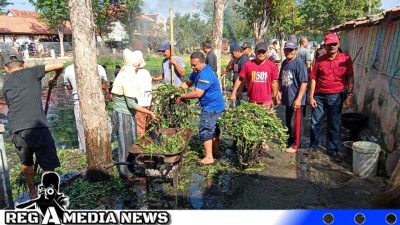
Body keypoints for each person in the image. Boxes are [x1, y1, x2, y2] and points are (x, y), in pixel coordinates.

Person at [1, 52, 63, 199]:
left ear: (5, 69)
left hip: (16, 128)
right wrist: (54, 78)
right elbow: (60, 65)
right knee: (47, 164)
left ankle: (32, 192)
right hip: (37, 126)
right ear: (24, 64)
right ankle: (49, 194)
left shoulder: (6, 85)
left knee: (26, 162)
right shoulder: (32, 71)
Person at [112, 49, 157, 179]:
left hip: (126, 113)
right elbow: (132, 104)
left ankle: (130, 168)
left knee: (130, 142)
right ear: (136, 65)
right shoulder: (127, 77)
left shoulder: (124, 72)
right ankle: (125, 173)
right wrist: (150, 112)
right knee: (126, 145)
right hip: (124, 114)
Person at [308, 33, 354, 161]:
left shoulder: (345, 59)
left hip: (337, 96)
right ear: (325, 46)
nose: (332, 46)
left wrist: (349, 95)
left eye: (334, 44)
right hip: (319, 96)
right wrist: (311, 96)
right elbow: (313, 79)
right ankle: (313, 147)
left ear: (338, 44)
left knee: (334, 124)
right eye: (329, 45)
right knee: (315, 123)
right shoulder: (320, 60)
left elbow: (350, 77)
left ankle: (332, 150)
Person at [177, 52, 225, 165]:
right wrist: (177, 90)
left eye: (195, 65)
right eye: (191, 65)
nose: (193, 68)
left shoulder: (206, 74)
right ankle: (215, 151)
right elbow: (188, 83)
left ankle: (209, 157)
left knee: (205, 128)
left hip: (212, 106)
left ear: (203, 63)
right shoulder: (197, 72)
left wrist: (182, 96)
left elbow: (198, 93)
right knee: (214, 128)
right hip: (212, 105)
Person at [64, 64, 109, 151]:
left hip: (79, 102)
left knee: (81, 127)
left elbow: (69, 86)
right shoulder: (99, 67)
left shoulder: (69, 69)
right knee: (99, 126)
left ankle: (84, 150)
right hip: (96, 102)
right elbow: (104, 86)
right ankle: (101, 147)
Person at [278, 42, 308, 153]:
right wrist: (278, 92)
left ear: (295, 50)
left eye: (291, 50)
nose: (288, 52)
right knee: (289, 121)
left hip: (296, 99)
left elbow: (304, 82)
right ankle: (290, 141)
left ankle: (296, 145)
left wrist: (299, 98)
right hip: (288, 98)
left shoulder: (299, 63)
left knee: (296, 123)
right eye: (286, 50)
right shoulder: (285, 62)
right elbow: (281, 79)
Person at [230, 42, 279, 109]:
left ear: (267, 52)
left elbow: (274, 82)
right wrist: (234, 92)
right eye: (259, 52)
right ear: (255, 52)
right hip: (252, 101)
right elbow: (240, 79)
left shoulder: (272, 65)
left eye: (263, 52)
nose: (261, 54)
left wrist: (275, 96)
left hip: (266, 102)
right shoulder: (248, 64)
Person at [135, 51, 153, 137]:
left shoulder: (134, 74)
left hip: (140, 105)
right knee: (146, 127)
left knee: (140, 129)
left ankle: (141, 147)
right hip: (148, 104)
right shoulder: (146, 72)